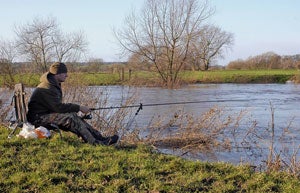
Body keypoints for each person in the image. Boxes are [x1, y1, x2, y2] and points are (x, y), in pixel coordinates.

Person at [27, 62, 118, 145]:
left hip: (44, 115)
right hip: (38, 118)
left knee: (72, 115)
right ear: (57, 74)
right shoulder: (47, 87)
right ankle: (94, 143)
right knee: (71, 118)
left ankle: (100, 138)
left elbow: (55, 107)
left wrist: (77, 108)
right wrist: (79, 107)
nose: (67, 75)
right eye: (64, 73)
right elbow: (58, 108)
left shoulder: (52, 84)